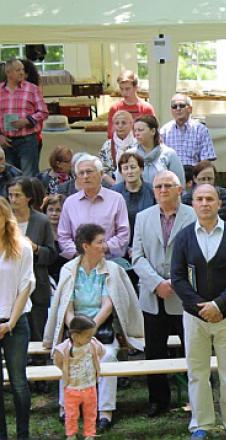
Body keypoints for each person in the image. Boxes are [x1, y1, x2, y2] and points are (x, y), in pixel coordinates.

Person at [43, 223, 145, 433]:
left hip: (102, 329)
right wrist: (76, 330)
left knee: (106, 356)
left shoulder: (111, 269)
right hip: (74, 329)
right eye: (100, 242)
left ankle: (105, 412)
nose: (104, 246)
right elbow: (66, 307)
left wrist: (90, 329)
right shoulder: (69, 270)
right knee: (68, 354)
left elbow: (109, 305)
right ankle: (67, 409)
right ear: (85, 245)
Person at [171, 184, 226, 440]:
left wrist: (219, 305)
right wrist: (201, 307)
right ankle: (201, 424)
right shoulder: (183, 237)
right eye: (199, 199)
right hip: (194, 318)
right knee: (197, 373)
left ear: (219, 204)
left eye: (210, 199)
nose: (204, 203)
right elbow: (178, 278)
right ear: (192, 204)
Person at [132, 170, 196, 417]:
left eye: (168, 185)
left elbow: (197, 256)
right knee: (154, 351)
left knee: (193, 349)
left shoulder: (192, 216)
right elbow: (136, 256)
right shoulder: (143, 217)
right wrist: (156, 283)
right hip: (152, 296)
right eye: (158, 186)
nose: (162, 190)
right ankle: (158, 400)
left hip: (185, 297)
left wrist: (174, 283)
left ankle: (197, 398)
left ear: (179, 189)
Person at [0, 197, 34, 440]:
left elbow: (26, 285)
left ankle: (23, 434)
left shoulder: (21, 246)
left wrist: (10, 323)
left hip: (15, 321)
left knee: (19, 383)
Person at [7, 176, 55, 341]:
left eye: (17, 195)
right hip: (8, 287)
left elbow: (52, 255)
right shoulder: (4, 220)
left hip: (36, 285)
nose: (13, 199)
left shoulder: (42, 221)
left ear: (28, 197)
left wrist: (35, 248)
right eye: (10, 195)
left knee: (37, 335)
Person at [57, 155, 130, 259]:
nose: (85, 176)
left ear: (100, 174)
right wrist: (79, 253)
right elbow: (63, 236)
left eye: (89, 171)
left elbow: (124, 233)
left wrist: (102, 247)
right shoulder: (70, 203)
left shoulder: (116, 199)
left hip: (109, 261)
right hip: (79, 262)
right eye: (81, 173)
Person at [53, 315, 103, 440]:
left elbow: (102, 351)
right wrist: (66, 372)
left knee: (91, 412)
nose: (90, 338)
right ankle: (71, 434)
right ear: (75, 335)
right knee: (71, 414)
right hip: (72, 388)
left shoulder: (92, 344)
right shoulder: (65, 348)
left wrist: (95, 364)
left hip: (90, 386)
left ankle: (90, 433)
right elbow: (57, 360)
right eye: (87, 336)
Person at [0, 58, 48, 176]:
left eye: (22, 69)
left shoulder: (32, 89)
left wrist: (27, 121)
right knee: (8, 176)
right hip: (6, 141)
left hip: (27, 140)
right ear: (8, 73)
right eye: (17, 70)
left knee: (29, 176)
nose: (21, 72)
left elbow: (43, 112)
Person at [159, 94, 217, 181]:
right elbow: (161, 159)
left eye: (182, 105)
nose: (178, 109)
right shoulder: (164, 131)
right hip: (172, 175)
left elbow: (206, 160)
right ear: (171, 110)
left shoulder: (201, 130)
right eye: (174, 106)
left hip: (194, 175)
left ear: (190, 109)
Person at [111, 151, 156, 249]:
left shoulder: (153, 191)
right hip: (120, 246)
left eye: (133, 167)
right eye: (125, 168)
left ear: (141, 169)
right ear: (121, 172)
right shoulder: (114, 193)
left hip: (148, 244)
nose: (129, 171)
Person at [181, 161, 226, 230]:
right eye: (203, 179)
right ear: (195, 179)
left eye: (210, 179)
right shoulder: (186, 199)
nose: (206, 182)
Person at [131, 115, 186, 187]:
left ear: (153, 131)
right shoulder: (130, 154)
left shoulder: (169, 154)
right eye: (135, 130)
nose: (137, 134)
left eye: (140, 130)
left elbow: (179, 184)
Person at [105, 70, 155, 139]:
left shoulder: (146, 108)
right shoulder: (115, 108)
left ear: (136, 88)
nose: (124, 93)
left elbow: (153, 133)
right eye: (121, 89)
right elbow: (110, 134)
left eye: (127, 89)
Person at [98, 110, 136, 185]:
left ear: (131, 124)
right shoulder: (108, 144)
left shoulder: (137, 143)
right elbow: (101, 169)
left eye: (124, 123)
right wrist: (115, 185)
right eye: (117, 123)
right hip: (111, 184)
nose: (120, 126)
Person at [43, 193, 69, 282]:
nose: (54, 213)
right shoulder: (40, 235)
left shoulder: (71, 235)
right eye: (50, 210)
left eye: (58, 210)